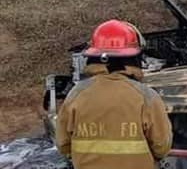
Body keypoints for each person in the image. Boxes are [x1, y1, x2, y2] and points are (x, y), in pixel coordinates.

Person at [56, 20, 173, 169]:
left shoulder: (76, 94)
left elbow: (63, 145)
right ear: (132, 58)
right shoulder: (146, 97)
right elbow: (162, 146)